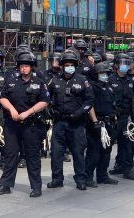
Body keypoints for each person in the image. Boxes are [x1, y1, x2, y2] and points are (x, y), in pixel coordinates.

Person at [0, 50, 50, 197]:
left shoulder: (39, 82)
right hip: (12, 124)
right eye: (21, 65)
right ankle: (5, 185)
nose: (23, 68)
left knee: (32, 156)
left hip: (31, 124)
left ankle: (36, 187)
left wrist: (28, 112)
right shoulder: (11, 80)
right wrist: (11, 109)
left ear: (32, 67)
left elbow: (45, 101)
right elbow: (2, 97)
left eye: (27, 65)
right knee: (10, 155)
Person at [47, 49, 94, 191]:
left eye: (72, 64)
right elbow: (45, 97)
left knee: (78, 152)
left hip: (76, 123)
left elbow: (89, 100)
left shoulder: (82, 80)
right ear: (61, 65)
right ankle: (57, 179)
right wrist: (48, 109)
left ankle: (80, 179)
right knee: (56, 152)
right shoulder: (55, 80)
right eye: (66, 64)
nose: (69, 67)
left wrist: (79, 113)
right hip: (59, 123)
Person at [85, 60, 118, 187]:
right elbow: (90, 105)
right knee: (94, 151)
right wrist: (95, 121)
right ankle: (88, 177)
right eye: (101, 73)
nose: (104, 75)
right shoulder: (92, 86)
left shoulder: (108, 86)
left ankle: (102, 175)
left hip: (109, 122)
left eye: (106, 73)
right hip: (97, 122)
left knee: (106, 150)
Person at [107, 53, 134, 181]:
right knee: (108, 144)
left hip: (126, 116)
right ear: (116, 65)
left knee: (127, 144)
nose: (125, 66)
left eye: (127, 63)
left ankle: (127, 169)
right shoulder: (110, 79)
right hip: (114, 117)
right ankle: (102, 172)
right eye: (122, 63)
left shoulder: (130, 81)